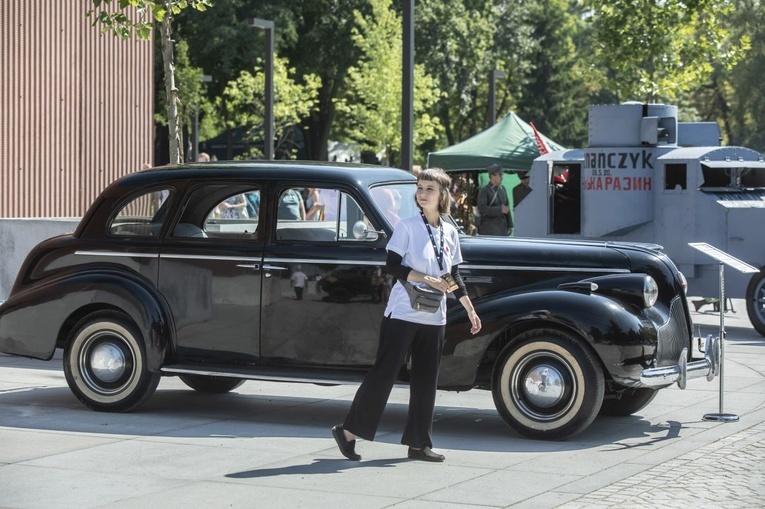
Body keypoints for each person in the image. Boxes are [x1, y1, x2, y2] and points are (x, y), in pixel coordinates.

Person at [332, 167, 482, 463]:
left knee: (427, 380)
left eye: (430, 189)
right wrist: (426, 279)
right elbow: (392, 265)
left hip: (434, 316)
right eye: (421, 187)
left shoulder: (449, 230)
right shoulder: (407, 226)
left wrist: (468, 306)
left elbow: (452, 274)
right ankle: (348, 431)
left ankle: (418, 443)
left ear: (443, 195)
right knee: (384, 374)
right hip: (403, 313)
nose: (423, 193)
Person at [477, 164, 512, 236]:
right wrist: (499, 210)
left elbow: (506, 207)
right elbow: (482, 208)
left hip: (502, 227)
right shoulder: (485, 190)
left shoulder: (502, 189)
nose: (501, 177)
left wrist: (510, 224)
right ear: (492, 176)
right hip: (489, 228)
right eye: (500, 175)